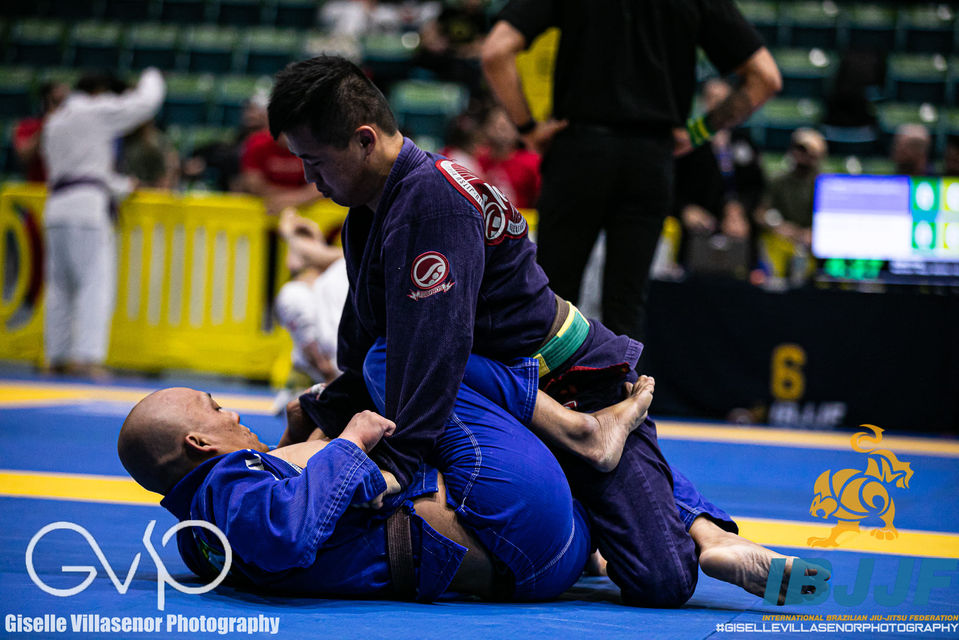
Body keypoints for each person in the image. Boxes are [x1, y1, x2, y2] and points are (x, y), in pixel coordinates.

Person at [267, 55, 801, 607]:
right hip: (507, 388)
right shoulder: (370, 213)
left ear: (363, 139)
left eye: (315, 162)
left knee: (662, 581)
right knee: (375, 367)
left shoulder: (431, 203)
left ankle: (652, 487)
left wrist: (395, 465)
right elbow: (364, 337)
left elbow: (433, 350)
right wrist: (327, 409)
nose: (310, 181)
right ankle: (682, 518)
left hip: (571, 377)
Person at [118, 350, 658, 602]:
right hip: (508, 519)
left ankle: (695, 535)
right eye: (215, 411)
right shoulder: (223, 483)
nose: (232, 415)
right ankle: (586, 429)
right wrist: (348, 441)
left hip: (542, 568)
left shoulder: (198, 540)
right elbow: (284, 536)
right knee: (393, 357)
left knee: (594, 475)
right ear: (200, 444)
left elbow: (277, 532)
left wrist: (294, 448)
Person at [480, 0, 781, 341]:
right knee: (627, 311)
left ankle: (546, 395)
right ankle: (626, 394)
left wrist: (528, 129)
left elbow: (495, 51)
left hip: (579, 150)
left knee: (552, 306)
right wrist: (697, 133)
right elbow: (765, 77)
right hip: (650, 158)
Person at [41, 68, 165, 379]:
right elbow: (146, 104)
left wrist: (121, 185)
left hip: (56, 204)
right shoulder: (95, 109)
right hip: (86, 207)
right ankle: (87, 357)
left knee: (58, 285)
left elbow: (82, 169)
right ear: (99, 91)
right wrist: (152, 74)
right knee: (93, 284)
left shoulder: (56, 119)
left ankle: (56, 356)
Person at [673, 79, 764, 277]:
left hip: (738, 227)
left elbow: (756, 186)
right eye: (712, 98)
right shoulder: (689, 140)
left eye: (723, 99)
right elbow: (670, 185)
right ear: (704, 102)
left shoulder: (744, 140)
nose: (718, 104)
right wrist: (685, 209)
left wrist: (740, 209)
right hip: (699, 225)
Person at [274, 209, 349, 384]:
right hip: (333, 376)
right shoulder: (294, 293)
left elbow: (317, 358)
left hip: (337, 375)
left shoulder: (335, 276)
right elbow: (316, 356)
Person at [476, 106, 541, 209]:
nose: (500, 132)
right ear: (486, 128)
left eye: (505, 126)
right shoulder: (478, 161)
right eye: (495, 126)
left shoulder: (531, 161)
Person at [13, 81, 69, 183]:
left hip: (69, 188)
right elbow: (24, 156)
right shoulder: (28, 126)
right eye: (56, 102)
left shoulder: (75, 128)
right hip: (38, 188)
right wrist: (48, 125)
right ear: (45, 102)